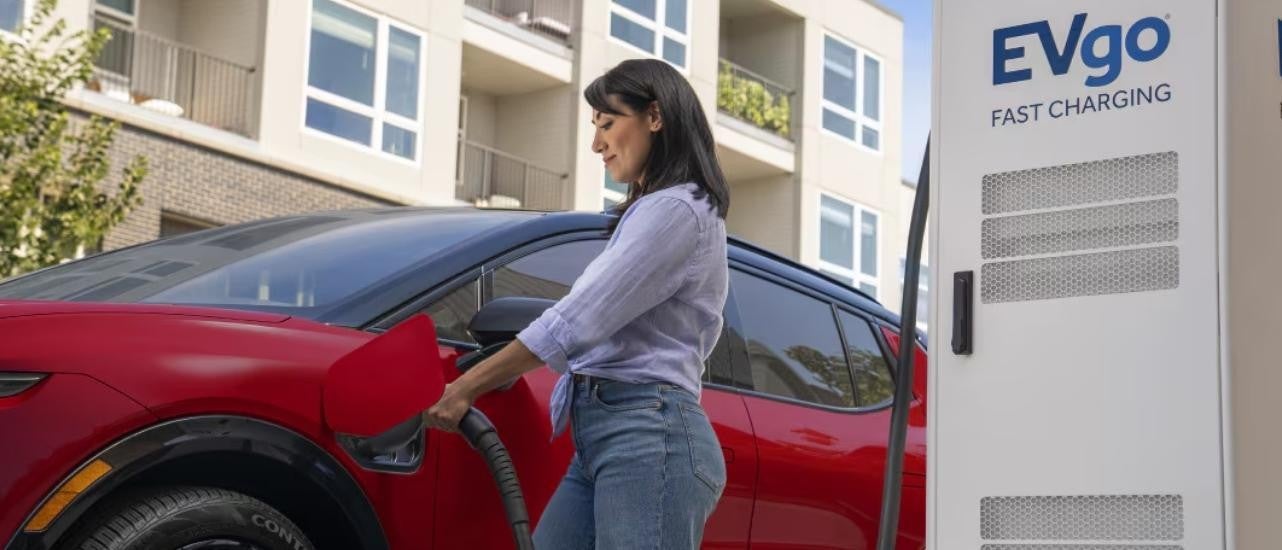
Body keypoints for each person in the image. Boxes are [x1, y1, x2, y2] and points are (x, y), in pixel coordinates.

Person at [424, 58, 731, 549]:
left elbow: (578, 318)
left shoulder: (678, 208)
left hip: (650, 439)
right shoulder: (658, 211)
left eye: (608, 124)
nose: (596, 144)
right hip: (607, 436)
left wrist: (466, 387)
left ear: (655, 116)